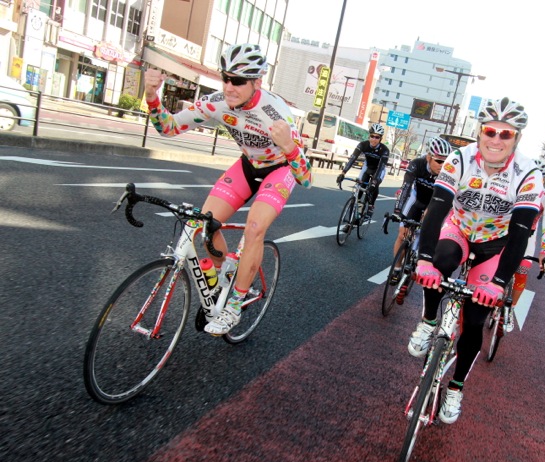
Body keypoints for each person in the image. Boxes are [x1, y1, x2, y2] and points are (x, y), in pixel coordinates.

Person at [144, 43, 311, 335]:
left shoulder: (277, 113)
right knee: (202, 224)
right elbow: (168, 127)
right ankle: (225, 277)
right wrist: (151, 96)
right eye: (225, 77)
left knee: (255, 227)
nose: (229, 86)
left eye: (237, 80)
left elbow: (306, 179)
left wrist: (289, 148)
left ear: (257, 82)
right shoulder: (217, 102)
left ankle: (234, 305)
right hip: (248, 166)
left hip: (281, 169)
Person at [409, 97, 543, 424]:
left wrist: (498, 284)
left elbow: (522, 230)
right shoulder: (460, 159)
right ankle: (428, 321)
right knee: (439, 262)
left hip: (495, 244)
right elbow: (438, 207)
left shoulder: (528, 172)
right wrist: (424, 260)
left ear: (517, 139)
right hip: (460, 228)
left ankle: (455, 388)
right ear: (480, 132)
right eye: (490, 131)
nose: (496, 139)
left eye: (505, 134)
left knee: (475, 321)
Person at [388, 137, 451, 281]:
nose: (442, 165)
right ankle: (397, 267)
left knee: (426, 232)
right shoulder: (417, 164)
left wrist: (431, 214)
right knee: (402, 234)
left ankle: (417, 257)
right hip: (415, 200)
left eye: (445, 161)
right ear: (429, 157)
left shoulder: (447, 173)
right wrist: (398, 212)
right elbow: (406, 188)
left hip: (434, 202)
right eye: (439, 161)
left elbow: (444, 199)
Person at [511, 188, 545, 309]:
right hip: (504, 229)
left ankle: (511, 308)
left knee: (522, 270)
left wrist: (543, 252)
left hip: (528, 235)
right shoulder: (515, 183)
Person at [336, 124, 390, 218]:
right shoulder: (363, 145)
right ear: (369, 136)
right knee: (360, 185)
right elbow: (353, 158)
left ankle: (370, 206)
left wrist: (374, 182)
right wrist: (343, 173)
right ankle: (355, 215)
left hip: (378, 170)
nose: (374, 139)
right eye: (372, 136)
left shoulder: (384, 150)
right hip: (367, 167)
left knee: (374, 185)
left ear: (380, 139)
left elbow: (381, 167)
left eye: (377, 137)